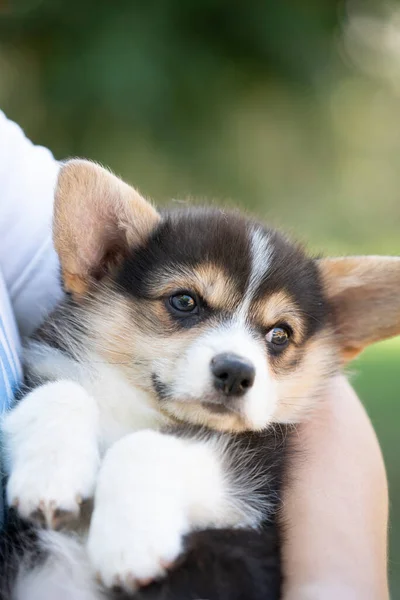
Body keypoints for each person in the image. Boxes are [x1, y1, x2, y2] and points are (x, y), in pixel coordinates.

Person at [0, 111, 389, 599]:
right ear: (101, 263)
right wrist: (55, 414)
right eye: (185, 304)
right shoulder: (60, 398)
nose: (238, 362)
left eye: (278, 334)